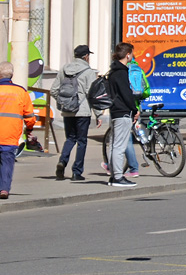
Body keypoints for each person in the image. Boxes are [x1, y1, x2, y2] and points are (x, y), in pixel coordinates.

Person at [51, 45, 98, 182]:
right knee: (82, 141)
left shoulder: (64, 69)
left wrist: (64, 103)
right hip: (82, 112)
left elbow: (54, 90)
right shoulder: (89, 72)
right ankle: (77, 172)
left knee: (70, 138)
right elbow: (92, 95)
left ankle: (62, 162)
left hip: (67, 111)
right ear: (86, 57)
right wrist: (99, 114)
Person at [0, 61, 37, 200]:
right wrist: (29, 129)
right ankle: (4, 189)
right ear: (12, 75)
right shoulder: (21, 92)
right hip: (10, 134)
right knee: (7, 163)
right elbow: (30, 116)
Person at [106, 44, 139, 188]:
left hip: (114, 112)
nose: (132, 56)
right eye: (131, 54)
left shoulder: (112, 71)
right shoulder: (121, 73)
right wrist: (134, 108)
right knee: (120, 146)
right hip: (123, 112)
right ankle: (118, 177)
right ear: (128, 55)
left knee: (114, 145)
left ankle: (114, 175)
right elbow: (126, 94)